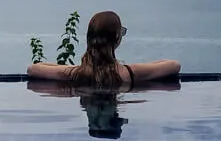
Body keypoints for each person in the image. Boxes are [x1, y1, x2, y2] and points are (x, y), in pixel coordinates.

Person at [26, 10, 180, 87]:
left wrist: (77, 68)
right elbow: (173, 65)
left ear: (89, 38)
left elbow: (34, 68)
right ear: (117, 39)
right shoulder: (129, 73)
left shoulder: (74, 74)